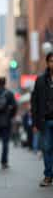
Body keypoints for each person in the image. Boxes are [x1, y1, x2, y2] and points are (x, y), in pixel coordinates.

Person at [31, 52, 53, 187]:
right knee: (46, 148)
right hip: (45, 120)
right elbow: (34, 102)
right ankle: (48, 175)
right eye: (51, 61)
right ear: (47, 63)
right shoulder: (40, 80)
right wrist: (35, 122)